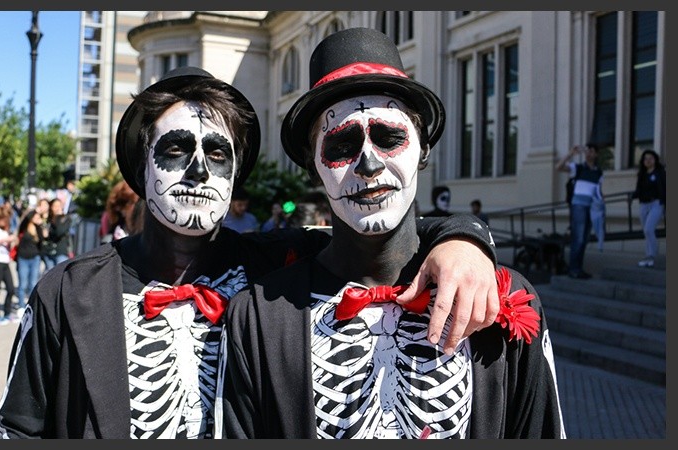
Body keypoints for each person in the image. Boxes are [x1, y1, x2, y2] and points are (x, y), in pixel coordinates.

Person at [0, 66, 499, 439]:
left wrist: (465, 238)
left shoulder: (274, 266)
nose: (198, 171)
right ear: (141, 165)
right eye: (174, 151)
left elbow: (375, 231)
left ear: (234, 174)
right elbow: (18, 426)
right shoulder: (70, 291)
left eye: (217, 155)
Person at [221, 27, 565, 439]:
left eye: (389, 138)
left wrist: (467, 238)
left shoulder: (498, 301)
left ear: (423, 149)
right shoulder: (258, 316)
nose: (368, 165)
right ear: (314, 167)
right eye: (341, 146)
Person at [556, 142, 603, 279]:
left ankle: (578, 268)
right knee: (578, 237)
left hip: (592, 206)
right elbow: (558, 167)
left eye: (593, 151)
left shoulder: (598, 171)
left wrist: (601, 205)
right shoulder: (578, 168)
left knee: (585, 238)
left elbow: (599, 191)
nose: (590, 153)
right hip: (578, 206)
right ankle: (574, 269)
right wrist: (571, 153)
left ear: (596, 154)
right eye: (588, 150)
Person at [631, 149, 666, 267]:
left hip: (656, 204)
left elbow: (664, 189)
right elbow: (638, 190)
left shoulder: (660, 173)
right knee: (646, 232)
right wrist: (633, 196)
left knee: (648, 229)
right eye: (646, 158)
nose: (648, 161)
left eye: (651, 158)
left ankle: (652, 255)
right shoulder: (642, 174)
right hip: (643, 205)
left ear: (655, 160)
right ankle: (648, 257)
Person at [14, 209, 44, 316]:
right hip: (23, 258)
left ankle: (30, 307)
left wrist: (40, 225)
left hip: (35, 258)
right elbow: (22, 223)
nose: (37, 219)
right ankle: (21, 306)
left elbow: (42, 240)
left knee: (33, 283)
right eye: (35, 217)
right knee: (22, 284)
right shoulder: (25, 226)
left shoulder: (38, 228)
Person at [39, 198, 71, 273]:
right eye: (55, 206)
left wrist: (57, 217)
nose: (57, 208)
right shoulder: (48, 219)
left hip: (61, 252)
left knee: (60, 275)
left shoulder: (66, 218)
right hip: (49, 252)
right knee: (49, 277)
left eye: (59, 206)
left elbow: (59, 232)